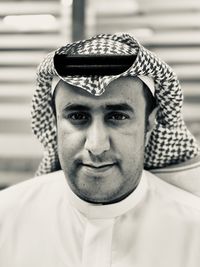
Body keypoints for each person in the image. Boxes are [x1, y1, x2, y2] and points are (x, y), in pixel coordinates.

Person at [0, 33, 200, 267]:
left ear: (150, 122)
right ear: (54, 120)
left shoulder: (194, 229)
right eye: (77, 116)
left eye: (117, 116)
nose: (96, 146)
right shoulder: (6, 217)